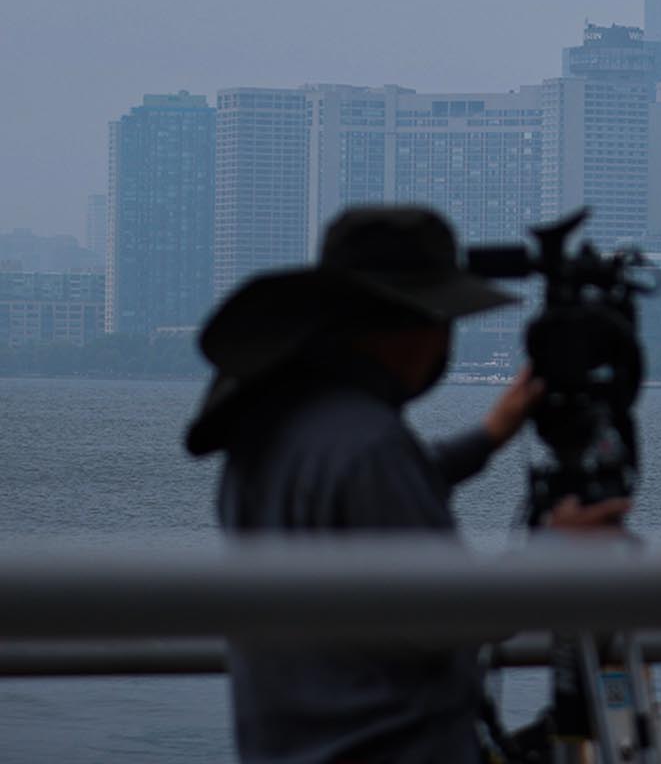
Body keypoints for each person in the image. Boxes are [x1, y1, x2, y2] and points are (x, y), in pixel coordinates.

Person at [183, 205, 629, 764]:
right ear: (409, 324)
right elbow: (452, 615)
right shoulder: (369, 446)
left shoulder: (276, 425)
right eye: (445, 320)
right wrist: (554, 556)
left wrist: (489, 436)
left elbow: (353, 511)